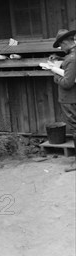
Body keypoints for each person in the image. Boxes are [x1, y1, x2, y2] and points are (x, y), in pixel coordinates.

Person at [51, 29, 76, 172]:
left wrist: (54, 73)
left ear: (66, 42)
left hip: (70, 99)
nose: (60, 48)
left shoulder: (71, 58)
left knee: (75, 128)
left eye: (60, 45)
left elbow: (67, 83)